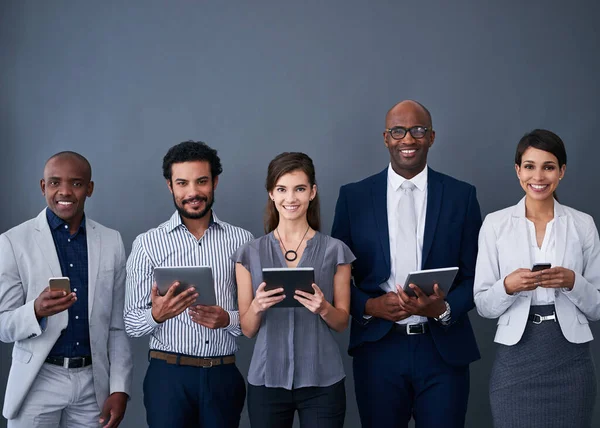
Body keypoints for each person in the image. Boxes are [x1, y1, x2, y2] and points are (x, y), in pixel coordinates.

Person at [331, 100, 482, 427]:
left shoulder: (461, 196)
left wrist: (442, 310)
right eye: (398, 131)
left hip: (443, 349)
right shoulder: (354, 197)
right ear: (386, 138)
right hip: (379, 349)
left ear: (432, 137)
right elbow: (335, 276)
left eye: (418, 130)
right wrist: (370, 305)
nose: (408, 139)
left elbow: (476, 276)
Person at [474, 129, 599, 428]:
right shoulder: (495, 224)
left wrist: (572, 281)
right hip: (515, 360)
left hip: (571, 360)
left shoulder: (583, 224)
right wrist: (508, 287)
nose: (538, 176)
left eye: (549, 166)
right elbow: (483, 305)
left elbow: (597, 306)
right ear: (518, 170)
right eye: (529, 166)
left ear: (562, 171)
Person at [124, 141, 253, 428]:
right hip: (168, 378)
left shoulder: (242, 241)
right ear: (170, 186)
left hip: (223, 375)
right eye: (182, 183)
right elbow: (131, 323)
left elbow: (255, 317)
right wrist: (157, 314)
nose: (193, 192)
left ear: (215, 182)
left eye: (202, 181)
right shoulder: (147, 245)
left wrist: (226, 319)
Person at [0, 151, 133, 428]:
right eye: (54, 183)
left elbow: (117, 327)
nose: (65, 191)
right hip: (37, 380)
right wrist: (35, 310)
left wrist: (120, 387)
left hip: (92, 383)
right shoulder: (14, 242)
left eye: (76, 183)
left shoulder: (111, 242)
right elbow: (3, 325)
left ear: (90, 188)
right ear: (42, 187)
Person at [233, 152, 354, 428]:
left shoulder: (336, 250)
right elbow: (248, 329)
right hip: (266, 380)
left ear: (313, 192)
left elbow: (342, 322)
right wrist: (258, 305)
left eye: (299, 189)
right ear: (271, 194)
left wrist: (323, 307)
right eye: (282, 189)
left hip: (323, 380)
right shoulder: (248, 254)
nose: (291, 199)